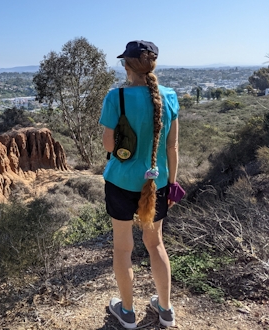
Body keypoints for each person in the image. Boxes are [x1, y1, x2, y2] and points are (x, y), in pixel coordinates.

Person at [99, 40, 179, 329]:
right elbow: (173, 147)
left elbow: (109, 144)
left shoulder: (115, 96)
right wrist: (170, 184)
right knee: (155, 243)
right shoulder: (169, 96)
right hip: (156, 184)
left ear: (128, 65)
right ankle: (166, 309)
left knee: (122, 248)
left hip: (120, 181)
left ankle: (128, 312)